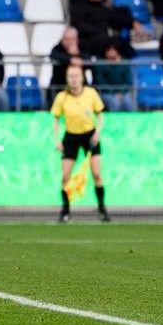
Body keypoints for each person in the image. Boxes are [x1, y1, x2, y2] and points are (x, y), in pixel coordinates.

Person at [50, 64, 109, 223]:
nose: (74, 80)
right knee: (66, 176)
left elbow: (100, 114)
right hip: (70, 137)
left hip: (90, 136)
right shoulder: (62, 97)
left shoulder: (91, 94)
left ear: (82, 77)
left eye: (76, 76)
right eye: (70, 76)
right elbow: (55, 119)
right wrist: (57, 140)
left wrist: (97, 132)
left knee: (96, 174)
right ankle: (66, 209)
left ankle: (102, 208)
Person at [70, 0, 140, 59]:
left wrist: (132, 22)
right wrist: (96, 30)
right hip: (87, 41)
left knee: (124, 45)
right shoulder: (79, 7)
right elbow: (78, 24)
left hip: (104, 41)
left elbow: (116, 19)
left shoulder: (103, 9)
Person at [49, 26, 89, 103]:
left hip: (80, 88)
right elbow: (53, 56)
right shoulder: (57, 48)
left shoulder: (81, 48)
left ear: (76, 39)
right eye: (67, 39)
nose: (70, 42)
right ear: (62, 39)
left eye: (73, 39)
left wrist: (78, 54)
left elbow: (89, 62)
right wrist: (70, 59)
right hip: (60, 86)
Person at [92, 43, 132, 112]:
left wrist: (121, 92)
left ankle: (131, 121)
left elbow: (128, 80)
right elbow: (100, 81)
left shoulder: (124, 62)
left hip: (123, 92)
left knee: (128, 101)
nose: (111, 52)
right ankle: (115, 122)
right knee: (115, 102)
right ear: (105, 51)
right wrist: (114, 92)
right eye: (109, 50)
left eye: (113, 50)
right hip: (106, 92)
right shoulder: (100, 64)